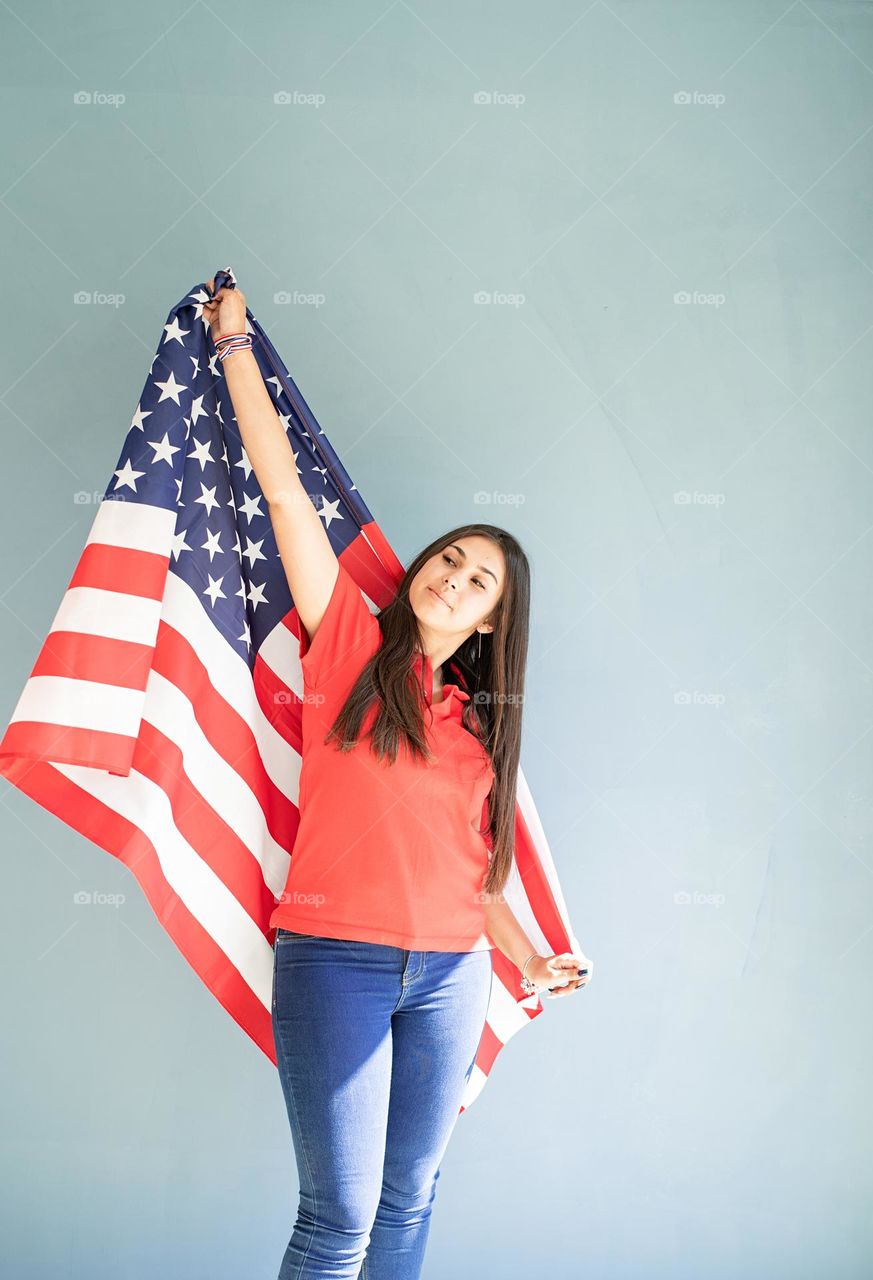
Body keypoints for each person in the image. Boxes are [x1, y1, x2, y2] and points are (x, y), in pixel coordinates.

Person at [203, 278, 591, 1279]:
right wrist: (238, 345)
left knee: (410, 1197)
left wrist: (533, 960)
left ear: (495, 620)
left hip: (453, 975)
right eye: (450, 558)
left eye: (478, 582)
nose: (453, 578)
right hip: (335, 961)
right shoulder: (344, 647)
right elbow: (285, 490)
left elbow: (480, 875)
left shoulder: (478, 729)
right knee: (337, 1215)